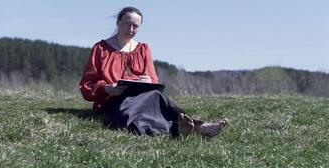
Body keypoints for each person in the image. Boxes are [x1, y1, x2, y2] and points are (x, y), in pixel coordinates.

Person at [79, 7, 228, 137]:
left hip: (143, 97)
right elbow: (87, 83)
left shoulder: (143, 49)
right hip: (112, 100)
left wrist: (147, 81)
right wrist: (107, 88)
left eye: (135, 26)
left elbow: (152, 79)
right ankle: (185, 129)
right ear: (118, 22)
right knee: (131, 117)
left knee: (157, 95)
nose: (131, 29)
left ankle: (198, 125)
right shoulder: (101, 49)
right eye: (127, 24)